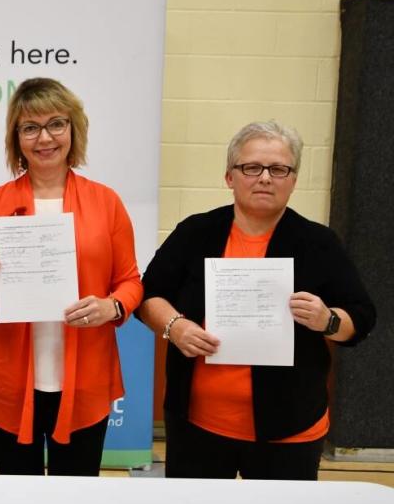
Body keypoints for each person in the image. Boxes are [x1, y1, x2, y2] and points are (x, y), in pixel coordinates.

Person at [137, 121, 376, 480]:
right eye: (251, 167)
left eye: (279, 169)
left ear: (293, 180)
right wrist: (175, 326)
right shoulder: (195, 233)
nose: (265, 178)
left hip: (290, 429)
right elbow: (149, 294)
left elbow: (362, 317)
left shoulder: (318, 243)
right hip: (198, 426)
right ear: (230, 177)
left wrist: (327, 320)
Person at [0, 78, 143, 475]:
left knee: (76, 500)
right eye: (30, 127)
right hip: (8, 380)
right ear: (17, 138)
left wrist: (111, 306)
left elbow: (131, 281)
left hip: (84, 382)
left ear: (73, 129)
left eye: (56, 124)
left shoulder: (106, 202)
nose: (44, 137)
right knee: (15, 499)